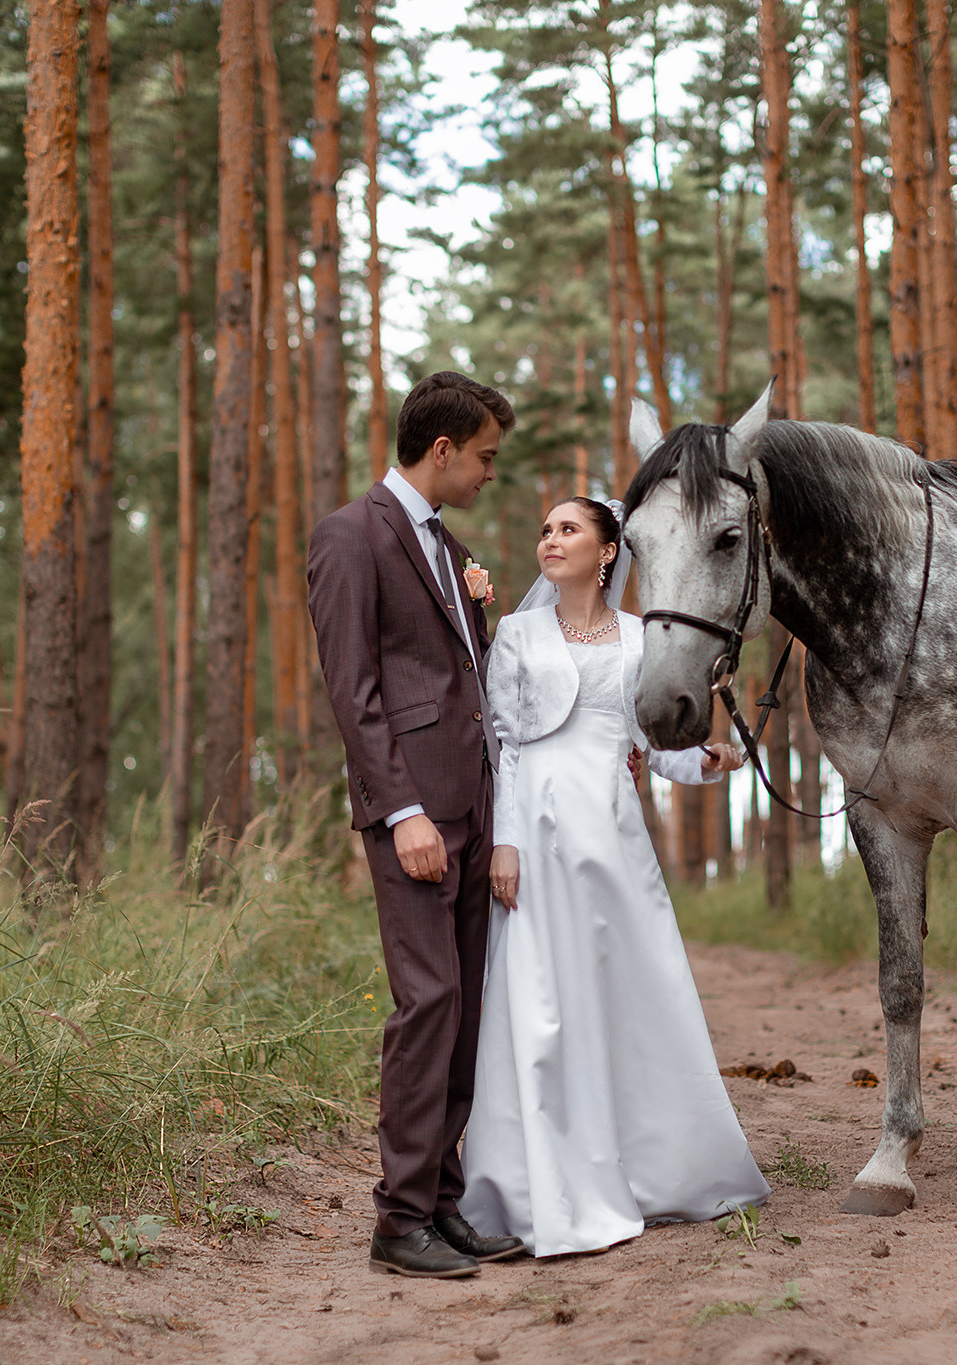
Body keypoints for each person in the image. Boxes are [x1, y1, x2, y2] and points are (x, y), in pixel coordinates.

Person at [458, 496, 770, 1258]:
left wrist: (708, 759)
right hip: (534, 834)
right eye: (545, 528)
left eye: (568, 528)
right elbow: (503, 747)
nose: (550, 539)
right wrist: (504, 843)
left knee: (629, 991)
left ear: (607, 553)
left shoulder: (639, 639)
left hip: (611, 836)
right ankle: (531, 1182)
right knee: (538, 999)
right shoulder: (517, 635)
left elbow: (653, 746)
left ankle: (653, 1167)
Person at [306, 372, 527, 1279]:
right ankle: (398, 1218)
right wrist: (402, 812)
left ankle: (441, 1200)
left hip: (473, 802)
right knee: (428, 999)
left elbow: (468, 681)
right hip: (415, 815)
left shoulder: (453, 547)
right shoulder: (350, 536)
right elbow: (353, 691)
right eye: (484, 457)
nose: (489, 473)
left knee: (465, 1004)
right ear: (442, 449)